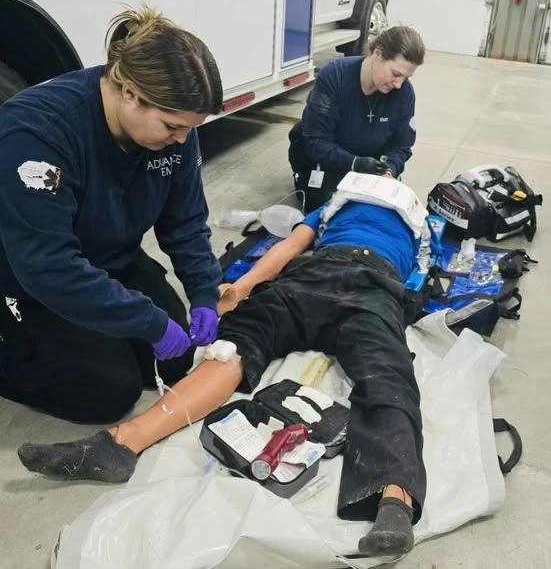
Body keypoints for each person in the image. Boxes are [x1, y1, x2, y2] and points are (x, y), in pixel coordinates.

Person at [17, 177, 432, 559]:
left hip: (375, 287)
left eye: (392, 177)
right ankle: (120, 446)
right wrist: (243, 286)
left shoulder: (417, 223)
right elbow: (289, 248)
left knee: (388, 375)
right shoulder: (338, 204)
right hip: (311, 276)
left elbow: (420, 275)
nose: (386, 179)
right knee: (234, 344)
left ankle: (393, 502)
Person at [0, 5, 224, 423]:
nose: (182, 139)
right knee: (108, 390)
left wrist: (205, 293)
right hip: (26, 278)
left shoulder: (175, 130)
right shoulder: (38, 135)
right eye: (172, 127)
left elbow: (186, 222)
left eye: (189, 129)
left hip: (106, 258)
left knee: (178, 362)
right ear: (130, 93)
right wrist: (147, 320)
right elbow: (48, 266)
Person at [289, 26, 425, 212]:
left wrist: (389, 170)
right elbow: (316, 140)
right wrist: (354, 163)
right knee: (328, 210)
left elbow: (401, 146)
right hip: (330, 163)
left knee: (381, 213)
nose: (399, 84)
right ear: (377, 54)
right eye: (396, 74)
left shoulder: (404, 93)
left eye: (406, 77)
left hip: (372, 170)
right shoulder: (335, 76)